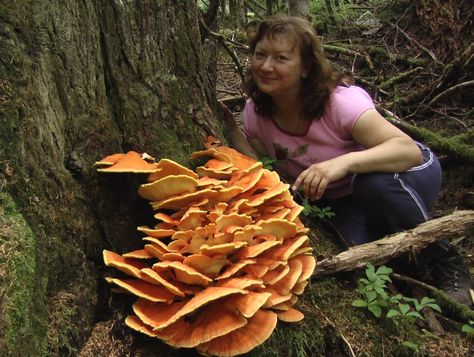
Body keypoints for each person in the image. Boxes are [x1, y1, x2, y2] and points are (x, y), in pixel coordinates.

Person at [229, 14, 473, 307]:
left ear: (306, 67)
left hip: (403, 172)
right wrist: (224, 129)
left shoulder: (340, 102)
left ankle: (447, 262)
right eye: (259, 55)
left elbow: (406, 151)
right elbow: (260, 163)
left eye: (281, 58)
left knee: (372, 184)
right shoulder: (255, 113)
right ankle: (413, 270)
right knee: (353, 252)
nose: (266, 66)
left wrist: (341, 163)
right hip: (341, 200)